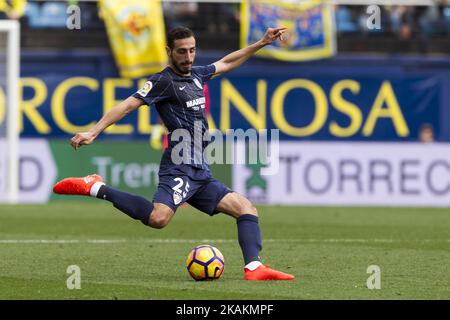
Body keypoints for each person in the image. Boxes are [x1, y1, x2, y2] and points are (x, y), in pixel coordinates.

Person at [53, 26, 294, 281]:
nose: (188, 57)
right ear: (169, 51)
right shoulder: (162, 81)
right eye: (182, 51)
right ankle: (96, 187)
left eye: (192, 50)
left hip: (201, 169)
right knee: (158, 218)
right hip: (179, 164)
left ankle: (254, 268)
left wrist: (261, 42)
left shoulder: (198, 75)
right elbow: (127, 105)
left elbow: (226, 62)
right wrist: (94, 132)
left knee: (246, 208)